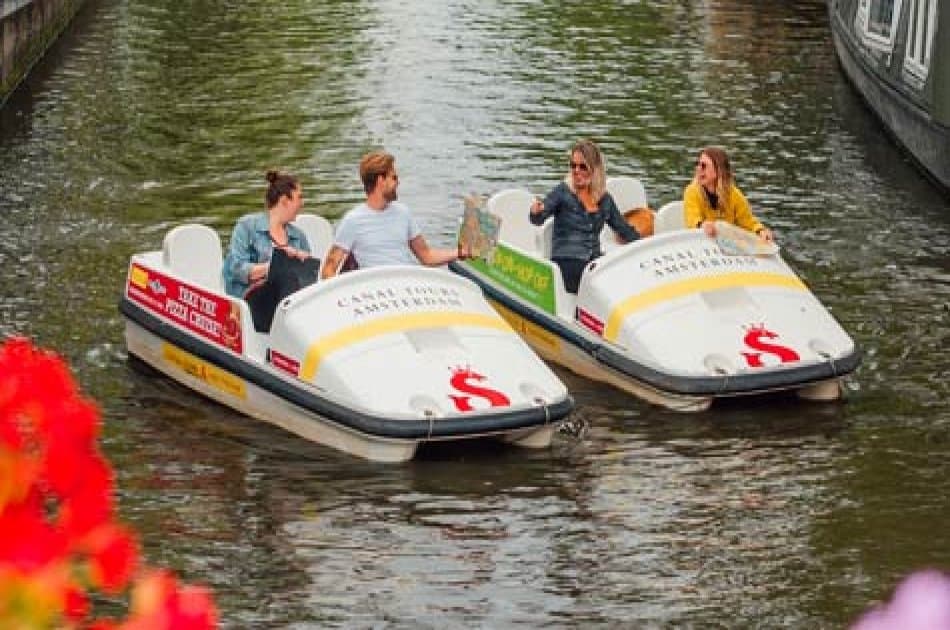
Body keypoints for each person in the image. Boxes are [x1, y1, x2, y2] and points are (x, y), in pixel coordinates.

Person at [320, 150, 465, 279]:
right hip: (377, 291)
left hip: (408, 282)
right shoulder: (352, 221)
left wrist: (459, 252)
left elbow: (426, 256)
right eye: (394, 177)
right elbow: (328, 270)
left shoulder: (403, 213)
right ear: (380, 180)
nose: (398, 182)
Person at [529, 139, 641, 294]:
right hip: (568, 262)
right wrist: (536, 211)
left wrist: (645, 245)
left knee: (622, 277)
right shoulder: (562, 192)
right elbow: (539, 218)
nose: (576, 171)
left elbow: (623, 228)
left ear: (595, 169)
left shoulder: (604, 199)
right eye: (573, 165)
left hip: (594, 262)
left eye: (582, 166)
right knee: (600, 284)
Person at [222, 170, 316, 331]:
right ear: (285, 200)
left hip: (288, 304)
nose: (302, 203)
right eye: (299, 197)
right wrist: (278, 264)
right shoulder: (247, 227)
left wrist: (305, 264)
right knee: (285, 279)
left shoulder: (298, 237)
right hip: (251, 303)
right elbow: (236, 269)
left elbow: (307, 281)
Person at [683, 147, 774, 242]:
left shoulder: (734, 195)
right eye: (697, 164)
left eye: (703, 166)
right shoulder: (692, 191)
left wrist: (761, 231)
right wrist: (702, 225)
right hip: (701, 243)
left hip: (726, 246)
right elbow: (692, 220)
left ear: (719, 171)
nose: (698, 169)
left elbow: (748, 222)